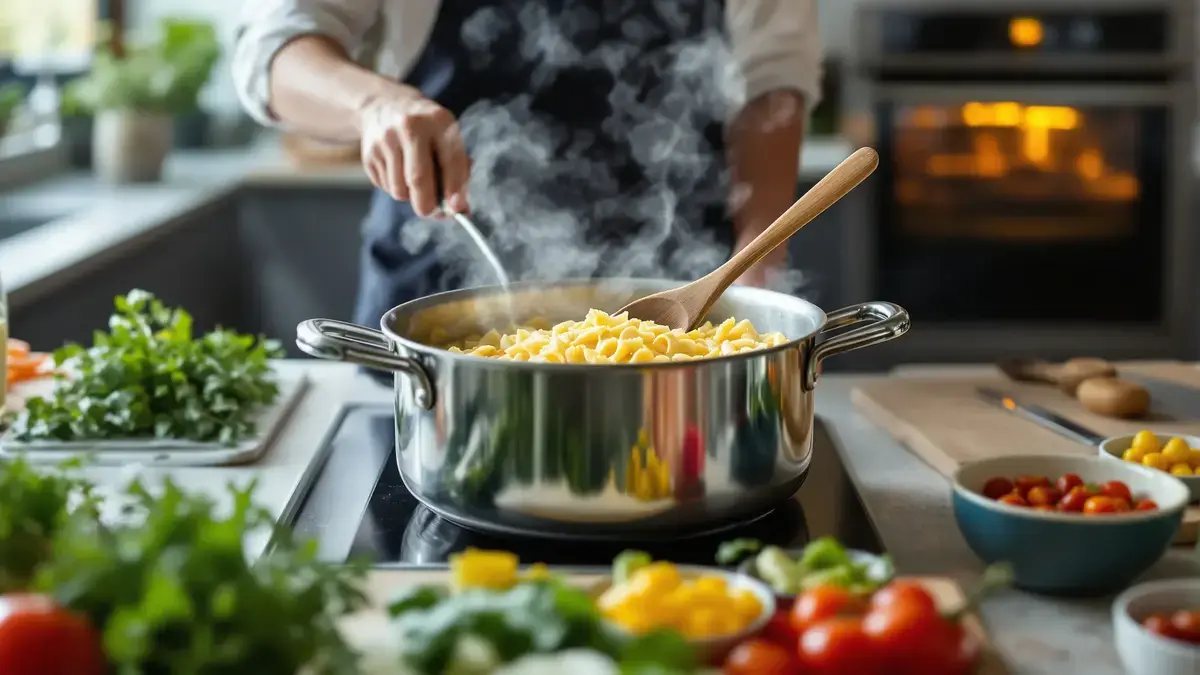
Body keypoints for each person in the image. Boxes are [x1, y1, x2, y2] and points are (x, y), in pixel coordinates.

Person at [233, 1, 821, 331]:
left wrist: (759, 257)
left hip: (690, 291)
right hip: (437, 288)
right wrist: (374, 105)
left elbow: (773, 82)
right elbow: (276, 48)